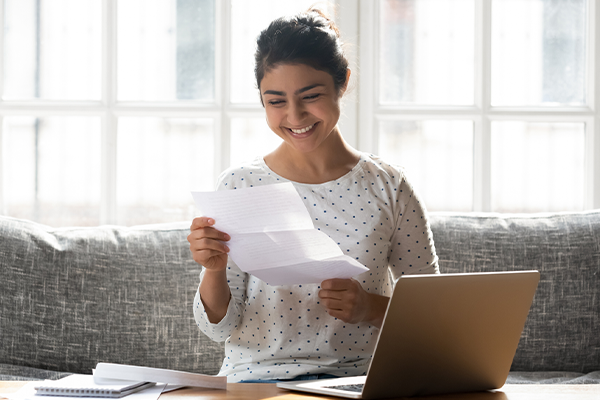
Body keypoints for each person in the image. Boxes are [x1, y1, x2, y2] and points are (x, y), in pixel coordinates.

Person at [188, 8, 439, 383]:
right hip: (257, 380)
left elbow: (435, 320)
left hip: (358, 381)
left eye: (310, 95)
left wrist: (370, 308)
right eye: (275, 101)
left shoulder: (389, 186)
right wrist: (213, 268)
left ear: (343, 83)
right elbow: (219, 329)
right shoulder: (239, 185)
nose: (295, 115)